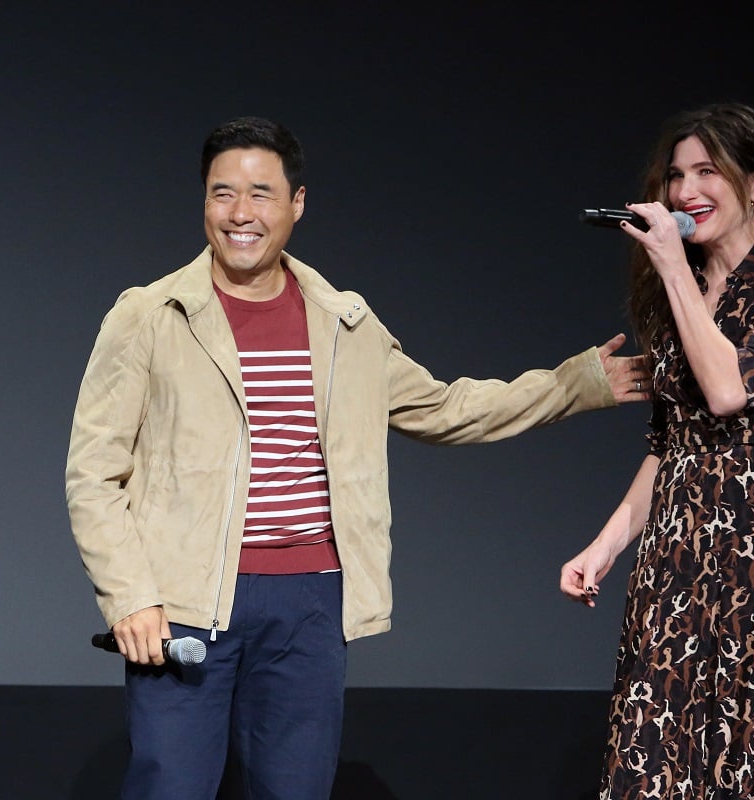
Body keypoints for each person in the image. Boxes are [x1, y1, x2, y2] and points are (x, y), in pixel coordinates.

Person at [66, 116, 647, 799]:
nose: (240, 213)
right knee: (171, 790)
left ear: (297, 204)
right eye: (222, 193)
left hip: (310, 601)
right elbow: (93, 472)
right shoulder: (150, 315)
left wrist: (574, 385)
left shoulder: (344, 324)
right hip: (187, 603)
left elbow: (445, 408)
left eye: (260, 193)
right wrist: (130, 595)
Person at [560, 103, 754, 796]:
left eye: (707, 172)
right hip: (680, 559)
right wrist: (603, 547)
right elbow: (671, 444)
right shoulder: (677, 293)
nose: (685, 191)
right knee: (658, 754)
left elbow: (727, 392)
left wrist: (671, 267)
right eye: (676, 175)